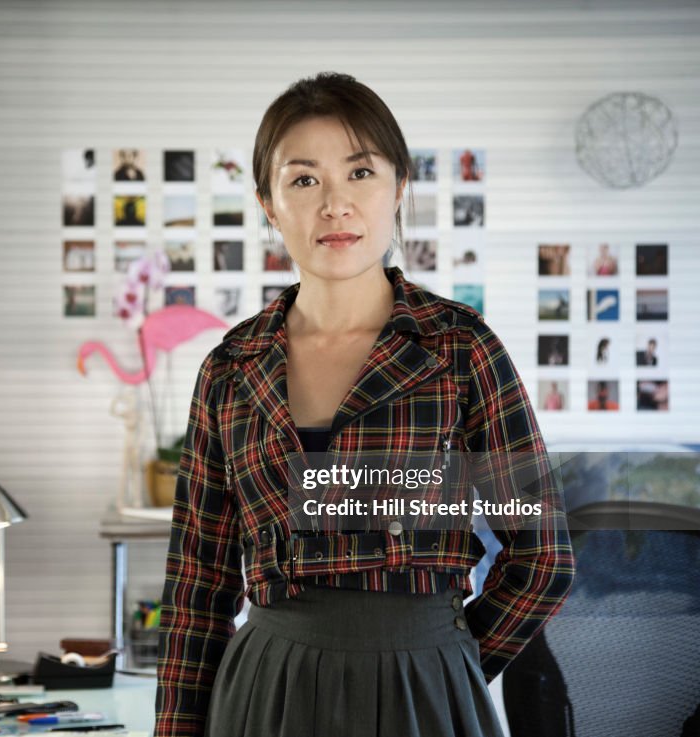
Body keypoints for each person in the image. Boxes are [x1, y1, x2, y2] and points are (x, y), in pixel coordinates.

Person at [155, 72, 574, 737]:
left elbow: (543, 556)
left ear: (398, 185)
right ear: (268, 203)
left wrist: (448, 660)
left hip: (426, 687)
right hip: (265, 690)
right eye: (303, 180)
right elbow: (195, 592)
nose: (335, 204)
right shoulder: (230, 369)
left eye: (359, 172)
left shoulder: (460, 349)